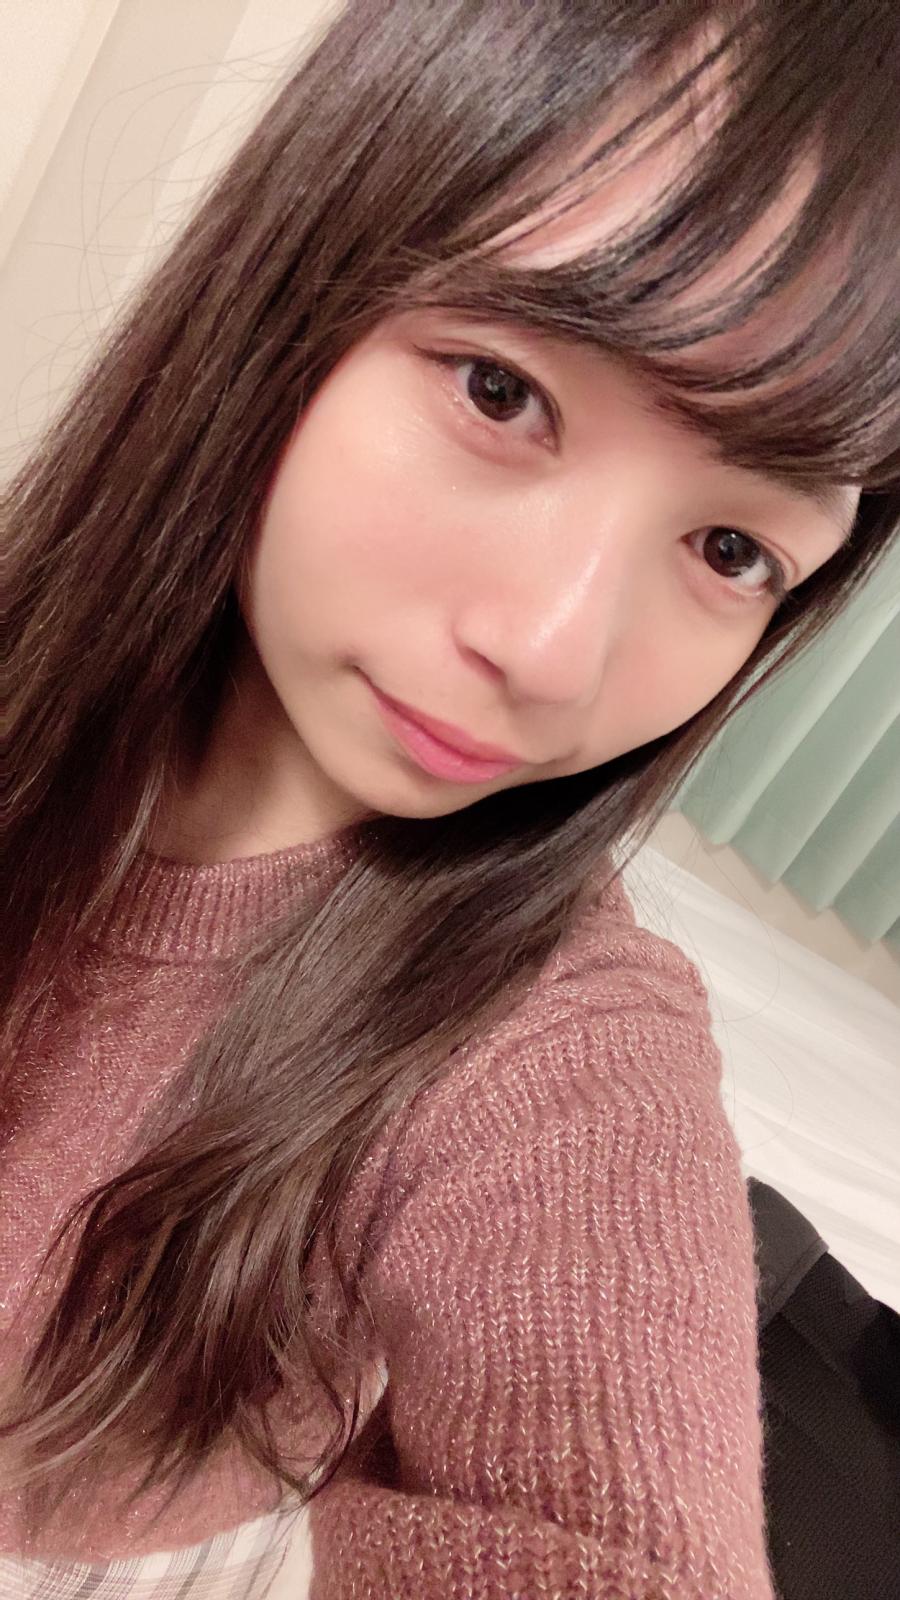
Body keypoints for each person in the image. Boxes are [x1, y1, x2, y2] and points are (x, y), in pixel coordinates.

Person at [2, 2, 897, 1595]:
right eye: (500, 391)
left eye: (730, 549)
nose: (552, 653)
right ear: (298, 273)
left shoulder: (559, 1054)